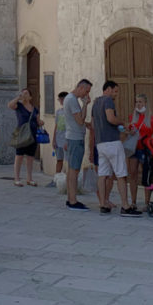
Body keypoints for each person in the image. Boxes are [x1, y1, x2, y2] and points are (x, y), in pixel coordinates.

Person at [93, 80, 139, 216]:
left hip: (100, 143)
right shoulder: (108, 101)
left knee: (102, 174)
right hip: (112, 142)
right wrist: (123, 122)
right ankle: (125, 205)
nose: (116, 94)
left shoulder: (95, 103)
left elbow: (95, 124)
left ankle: (103, 204)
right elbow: (111, 119)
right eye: (115, 91)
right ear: (108, 89)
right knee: (121, 174)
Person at [62, 79, 93, 210]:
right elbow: (80, 120)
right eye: (86, 91)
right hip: (75, 138)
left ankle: (71, 198)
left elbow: (79, 120)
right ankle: (73, 201)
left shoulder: (70, 99)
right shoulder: (72, 100)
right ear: (80, 87)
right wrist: (85, 104)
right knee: (74, 170)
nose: (87, 94)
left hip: (72, 136)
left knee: (71, 170)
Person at [8, 88, 44, 187]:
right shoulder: (19, 106)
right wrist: (18, 98)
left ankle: (29, 178)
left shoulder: (35, 108)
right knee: (19, 156)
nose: (24, 95)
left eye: (26, 93)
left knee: (30, 157)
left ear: (30, 97)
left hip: (32, 135)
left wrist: (41, 122)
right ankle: (17, 179)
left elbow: (38, 121)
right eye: (22, 93)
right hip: (22, 134)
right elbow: (10, 105)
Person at [126, 94, 153, 209]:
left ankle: (147, 202)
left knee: (146, 175)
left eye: (140, 102)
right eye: (136, 102)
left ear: (146, 104)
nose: (138, 104)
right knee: (133, 174)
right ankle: (133, 202)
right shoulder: (132, 118)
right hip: (134, 148)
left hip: (146, 149)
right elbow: (128, 132)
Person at [49, 91, 68, 187]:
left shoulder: (70, 112)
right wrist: (54, 140)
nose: (60, 101)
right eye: (59, 99)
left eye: (61, 99)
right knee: (59, 160)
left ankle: (67, 180)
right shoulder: (58, 112)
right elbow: (56, 126)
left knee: (67, 161)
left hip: (66, 140)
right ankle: (56, 179)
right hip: (59, 140)